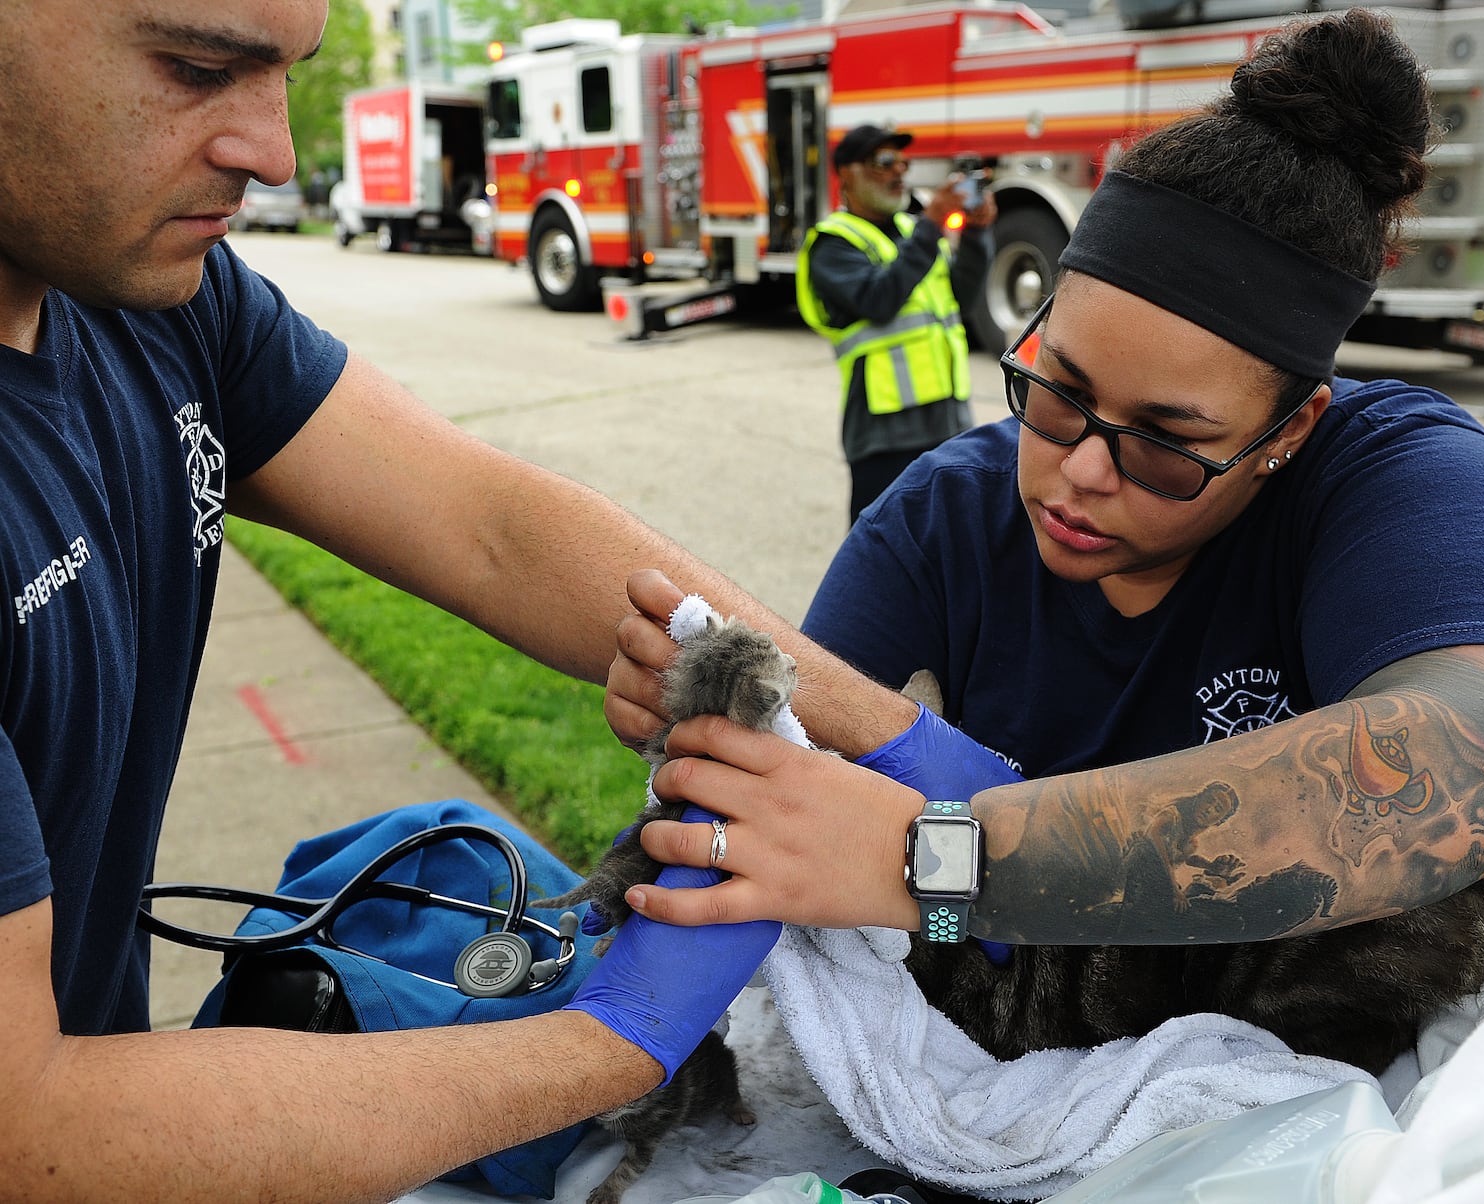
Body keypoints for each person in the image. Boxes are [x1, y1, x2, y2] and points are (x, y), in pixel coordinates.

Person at [0, 2, 921, 1199]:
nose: (274, 153)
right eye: (197, 68)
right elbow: (29, 1124)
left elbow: (487, 524)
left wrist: (909, 749)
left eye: (288, 75)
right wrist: (610, 1043)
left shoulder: (155, 305)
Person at [607, 10, 1484, 951]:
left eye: (1165, 440)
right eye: (1058, 390)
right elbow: (771, 801)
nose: (1077, 469)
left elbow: (1470, 769)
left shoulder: (1396, 483)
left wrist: (929, 861)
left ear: (1290, 428)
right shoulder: (945, 521)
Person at [796, 124, 997, 525]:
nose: (898, 172)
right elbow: (879, 300)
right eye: (884, 162)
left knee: (952, 548)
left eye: (903, 162)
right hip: (883, 437)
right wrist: (931, 225)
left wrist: (978, 234)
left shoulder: (911, 230)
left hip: (949, 422)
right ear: (847, 174)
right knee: (882, 555)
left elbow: (960, 297)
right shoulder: (832, 244)